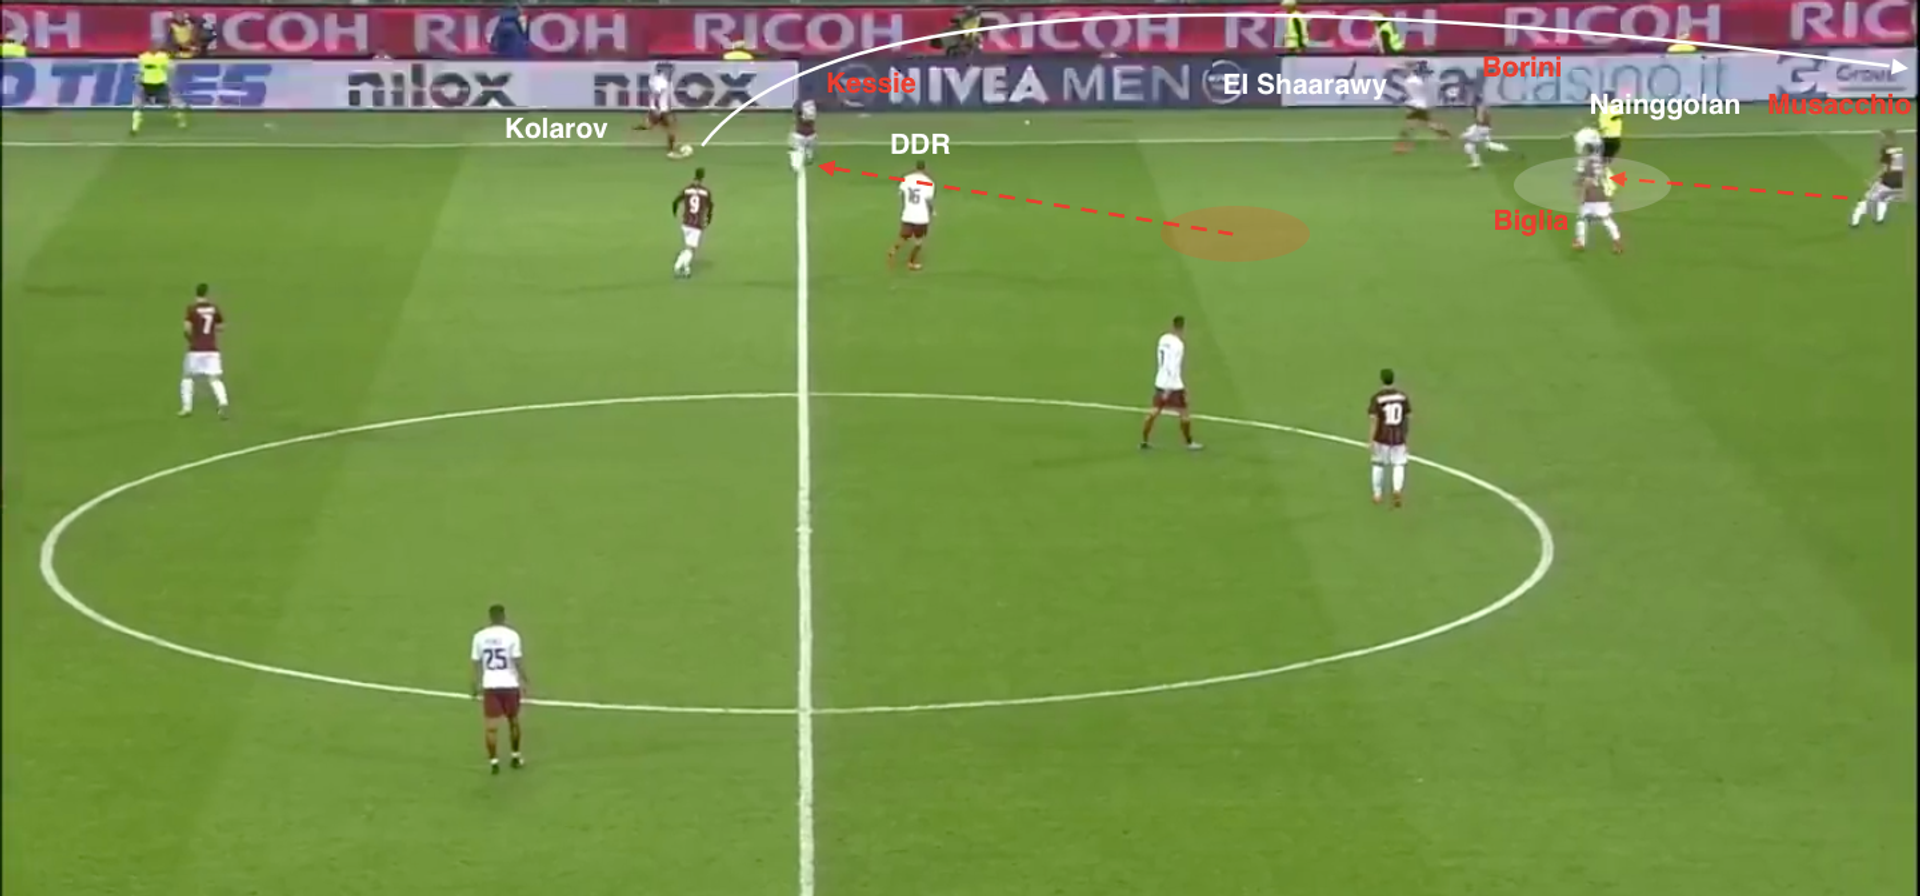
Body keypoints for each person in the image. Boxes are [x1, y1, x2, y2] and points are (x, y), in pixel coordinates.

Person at [470, 604, 527, 774]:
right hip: (509, 684)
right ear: (503, 616)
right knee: (513, 721)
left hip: (490, 686)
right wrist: (524, 679)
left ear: (490, 617)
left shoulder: (479, 636)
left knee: (491, 727)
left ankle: (494, 762)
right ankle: (515, 756)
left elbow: (476, 663)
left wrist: (475, 683)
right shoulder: (512, 635)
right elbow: (516, 660)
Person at [1141, 316, 1201, 451]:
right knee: (1184, 413)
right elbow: (1173, 366)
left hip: (1160, 381)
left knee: (1154, 411)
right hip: (1173, 384)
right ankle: (1189, 443)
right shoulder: (1179, 345)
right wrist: (1169, 390)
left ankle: (1144, 440)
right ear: (1182, 328)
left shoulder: (1163, 339)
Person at [180, 283, 229, 419]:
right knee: (214, 379)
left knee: (187, 378)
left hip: (196, 350)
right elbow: (221, 327)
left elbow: (187, 329)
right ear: (207, 294)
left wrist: (191, 339)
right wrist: (210, 331)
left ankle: (186, 407)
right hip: (212, 350)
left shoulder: (192, 309)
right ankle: (223, 403)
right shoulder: (214, 309)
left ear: (196, 294)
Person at [1367, 369, 1411, 507]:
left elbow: (1374, 420)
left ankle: (1377, 494)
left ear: (1381, 380)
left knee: (1378, 464)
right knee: (1399, 464)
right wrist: (1405, 436)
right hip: (1398, 436)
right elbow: (1407, 418)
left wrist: (1371, 439)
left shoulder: (1377, 398)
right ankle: (1397, 490)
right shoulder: (1402, 397)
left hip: (1381, 437)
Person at [888, 161, 936, 271]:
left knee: (904, 237)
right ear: (924, 169)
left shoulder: (907, 179)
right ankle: (911, 263)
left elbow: (901, 193)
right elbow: (928, 200)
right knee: (918, 242)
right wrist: (932, 211)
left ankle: (893, 250)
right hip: (921, 217)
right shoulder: (928, 182)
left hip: (908, 214)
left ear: (915, 168)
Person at [1851, 131, 1904, 227]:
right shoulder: (1900, 150)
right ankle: (1880, 220)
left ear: (1887, 138)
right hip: (1900, 182)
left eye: (1882, 137)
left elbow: (1884, 169)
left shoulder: (1886, 150)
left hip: (1888, 181)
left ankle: (1854, 222)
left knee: (1865, 199)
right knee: (1883, 199)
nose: (1880, 139)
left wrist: (1871, 180)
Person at [131, 43, 187, 136]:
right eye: (151, 46)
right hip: (146, 85)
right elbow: (140, 70)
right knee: (138, 106)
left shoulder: (163, 56)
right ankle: (134, 128)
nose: (153, 48)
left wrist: (168, 73)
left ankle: (181, 121)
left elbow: (171, 67)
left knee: (171, 105)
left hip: (160, 85)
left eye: (155, 46)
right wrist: (138, 78)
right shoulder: (143, 57)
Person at [672, 168, 713, 279]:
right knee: (690, 249)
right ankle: (678, 266)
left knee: (688, 247)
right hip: (696, 224)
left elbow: (675, 202)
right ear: (703, 177)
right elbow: (710, 207)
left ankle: (686, 269)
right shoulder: (705, 192)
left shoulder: (687, 189)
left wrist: (674, 212)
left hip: (686, 222)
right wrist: (709, 219)